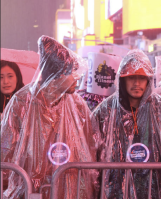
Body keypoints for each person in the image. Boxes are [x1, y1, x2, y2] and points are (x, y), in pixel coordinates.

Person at [91, 49, 161, 199]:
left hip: (156, 188)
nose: (137, 83)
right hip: (116, 190)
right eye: (131, 77)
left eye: (141, 78)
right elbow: (93, 153)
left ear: (149, 80)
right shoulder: (105, 111)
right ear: (122, 80)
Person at [0, 36, 96, 199]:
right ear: (56, 74)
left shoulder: (77, 104)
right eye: (71, 72)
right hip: (31, 188)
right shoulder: (22, 102)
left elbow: (89, 147)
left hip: (69, 186)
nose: (77, 77)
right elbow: (6, 150)